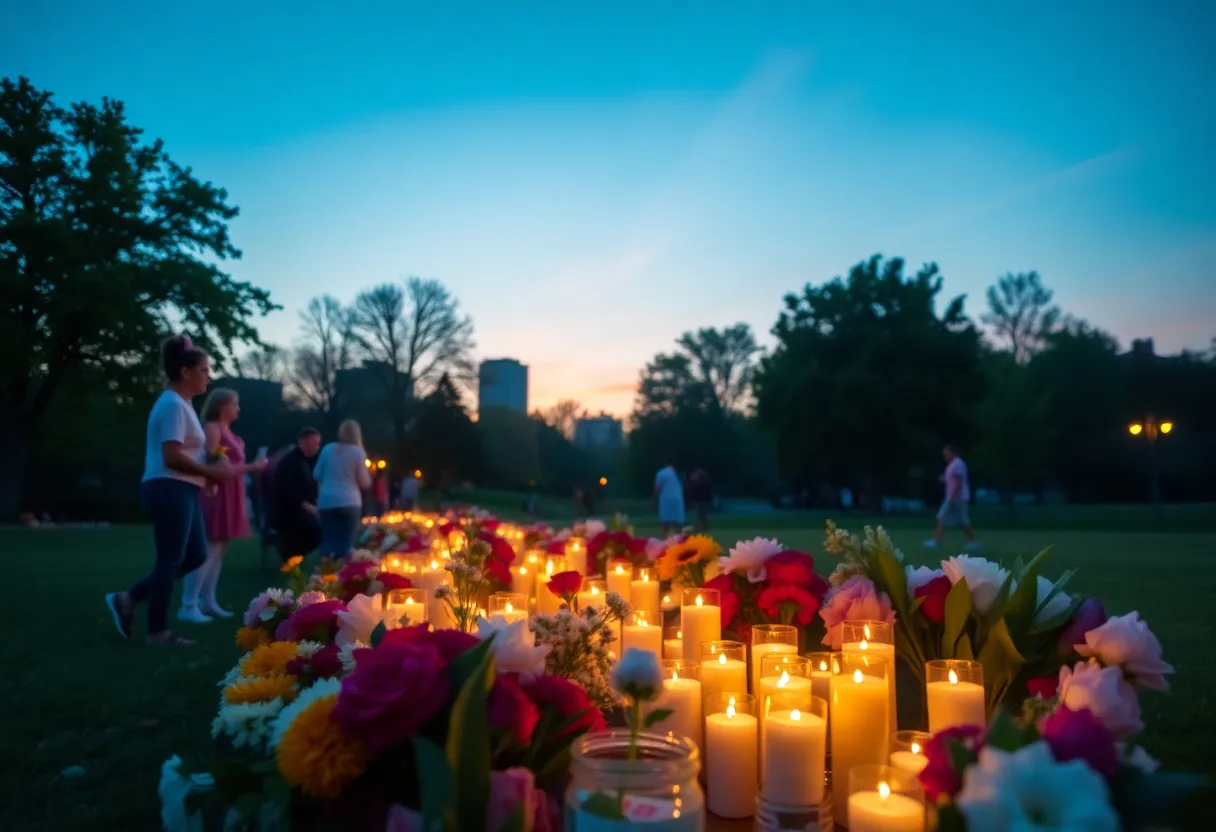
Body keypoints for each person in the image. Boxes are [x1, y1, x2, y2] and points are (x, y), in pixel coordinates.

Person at [104, 335, 237, 645]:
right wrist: (210, 473)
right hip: (168, 487)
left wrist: (209, 474)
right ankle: (158, 631)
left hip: (182, 489)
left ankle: (128, 598)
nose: (209, 375)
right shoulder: (173, 405)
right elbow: (172, 456)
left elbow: (187, 453)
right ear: (185, 372)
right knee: (171, 560)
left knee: (195, 556)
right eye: (204, 370)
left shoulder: (185, 406)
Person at [176, 388, 266, 622]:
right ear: (222, 406)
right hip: (217, 492)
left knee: (220, 547)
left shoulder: (230, 433)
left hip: (232, 491)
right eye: (234, 404)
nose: (238, 409)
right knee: (209, 547)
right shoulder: (212, 428)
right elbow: (214, 466)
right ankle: (189, 603)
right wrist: (252, 467)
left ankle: (208, 600)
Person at [313, 419, 371, 558]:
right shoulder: (358, 453)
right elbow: (364, 483)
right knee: (345, 544)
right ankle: (342, 576)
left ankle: (319, 576)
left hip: (327, 502)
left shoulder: (327, 449)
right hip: (350, 501)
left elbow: (316, 474)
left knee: (327, 542)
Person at [271, 427, 323, 561]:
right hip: (288, 512)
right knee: (316, 529)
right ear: (304, 442)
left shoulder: (310, 461)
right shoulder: (290, 462)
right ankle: (289, 553)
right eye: (315, 443)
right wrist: (310, 507)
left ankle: (295, 554)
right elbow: (290, 491)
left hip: (304, 509)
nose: (318, 447)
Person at [926, 444, 979, 550]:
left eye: (946, 453)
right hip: (953, 496)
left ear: (952, 453)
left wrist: (954, 495)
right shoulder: (952, 465)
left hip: (957, 497)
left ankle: (936, 542)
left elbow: (959, 481)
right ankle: (973, 541)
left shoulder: (958, 464)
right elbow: (952, 479)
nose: (944, 455)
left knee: (944, 517)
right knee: (957, 519)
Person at [653, 457, 685, 537]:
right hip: (677, 500)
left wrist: (654, 499)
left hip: (665, 500)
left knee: (665, 523)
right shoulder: (679, 474)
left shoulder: (661, 473)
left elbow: (657, 488)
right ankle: (680, 541)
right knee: (678, 523)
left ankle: (665, 541)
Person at [686, 467, 713, 531]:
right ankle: (703, 527)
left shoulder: (697, 481)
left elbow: (691, 489)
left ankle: (701, 528)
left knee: (699, 516)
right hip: (703, 500)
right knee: (702, 516)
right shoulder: (705, 480)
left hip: (699, 500)